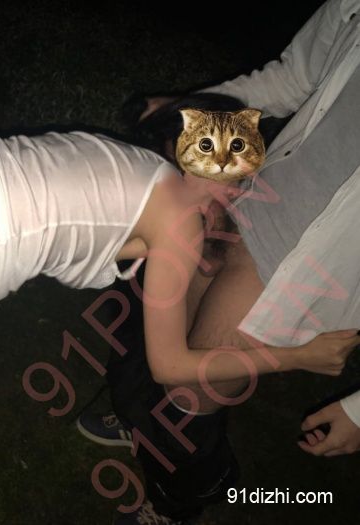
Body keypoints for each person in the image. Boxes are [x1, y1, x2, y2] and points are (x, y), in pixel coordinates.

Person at [0, 124, 358, 523]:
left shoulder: (138, 163)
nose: (243, 201)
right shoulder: (181, 224)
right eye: (243, 186)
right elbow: (170, 367)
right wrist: (296, 356)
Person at [79, 0, 360, 522]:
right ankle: (144, 422)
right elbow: (292, 78)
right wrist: (191, 112)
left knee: (189, 390)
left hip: (312, 269)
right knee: (156, 334)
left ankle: (182, 497)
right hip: (247, 198)